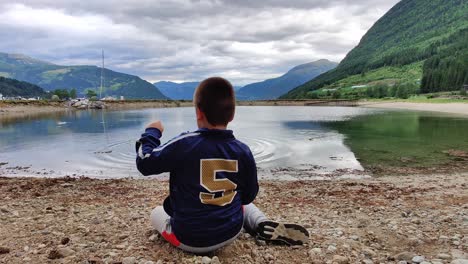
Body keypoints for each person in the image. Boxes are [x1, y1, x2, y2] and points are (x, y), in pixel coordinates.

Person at [135, 77, 309, 254]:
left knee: (156, 212)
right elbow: (248, 196)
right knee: (238, 198)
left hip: (189, 239)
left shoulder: (184, 143)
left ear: (198, 113)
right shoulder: (242, 151)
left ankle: (244, 223)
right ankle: (259, 222)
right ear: (232, 115)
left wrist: (152, 132)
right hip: (230, 232)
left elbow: (144, 162)